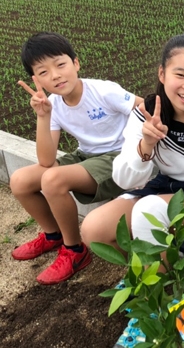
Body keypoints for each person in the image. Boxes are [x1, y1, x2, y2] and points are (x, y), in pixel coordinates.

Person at [81, 33, 184, 258]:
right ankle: (144, 273)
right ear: (162, 74)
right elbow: (124, 180)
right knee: (94, 229)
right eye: (180, 74)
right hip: (166, 186)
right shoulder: (147, 114)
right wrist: (146, 144)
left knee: (149, 211)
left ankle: (158, 288)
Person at [10, 32, 141, 285]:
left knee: (52, 180)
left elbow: (145, 108)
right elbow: (46, 160)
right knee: (20, 180)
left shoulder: (103, 91)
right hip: (87, 156)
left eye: (60, 64)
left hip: (119, 156)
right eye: (44, 72)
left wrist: (144, 150)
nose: (56, 75)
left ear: (76, 63)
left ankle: (75, 251)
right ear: (35, 79)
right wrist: (43, 116)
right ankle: (52, 235)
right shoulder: (53, 105)